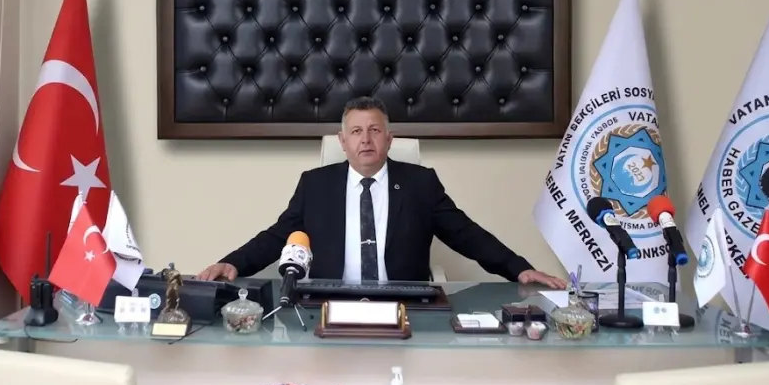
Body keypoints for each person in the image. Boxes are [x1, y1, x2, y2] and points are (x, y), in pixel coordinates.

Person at [196, 97, 566, 289]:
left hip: (404, 304)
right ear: (342, 142)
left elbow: (467, 235)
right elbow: (278, 236)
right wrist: (233, 263)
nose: (366, 140)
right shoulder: (316, 184)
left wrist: (519, 269)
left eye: (374, 131)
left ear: (389, 139)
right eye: (356, 132)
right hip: (329, 301)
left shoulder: (421, 183)